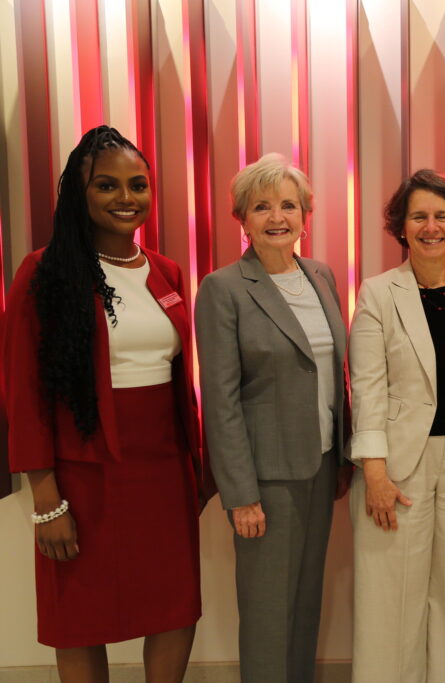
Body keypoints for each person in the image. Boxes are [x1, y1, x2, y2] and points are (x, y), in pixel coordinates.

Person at [4, 125, 203, 681]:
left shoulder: (166, 272)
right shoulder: (44, 273)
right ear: (80, 195)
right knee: (82, 617)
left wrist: (198, 467)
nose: (125, 198)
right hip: (84, 477)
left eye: (137, 185)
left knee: (174, 608)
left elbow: (176, 379)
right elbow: (23, 392)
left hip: (164, 471)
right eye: (106, 186)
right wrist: (46, 498)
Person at [194, 153, 350, 682]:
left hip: (323, 465)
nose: (277, 217)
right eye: (262, 206)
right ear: (242, 218)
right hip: (266, 480)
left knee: (306, 605)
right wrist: (240, 494)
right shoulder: (224, 289)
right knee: (266, 614)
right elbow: (221, 398)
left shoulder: (322, 276)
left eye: (288, 204)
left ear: (306, 213)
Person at [347, 169, 445, 682]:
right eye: (419, 216)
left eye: (442, 215)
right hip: (397, 465)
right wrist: (374, 473)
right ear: (402, 226)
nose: (431, 226)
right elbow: (366, 387)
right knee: (392, 600)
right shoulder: (376, 293)